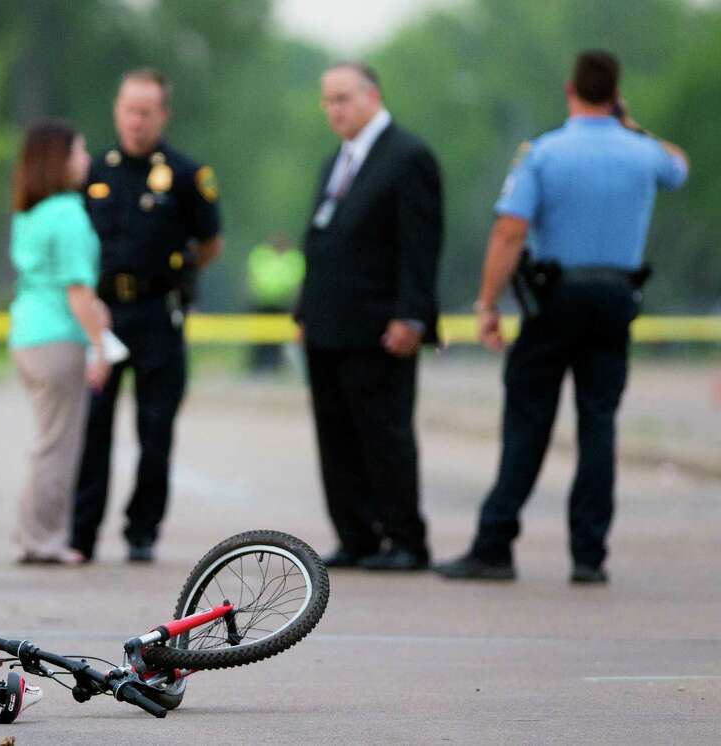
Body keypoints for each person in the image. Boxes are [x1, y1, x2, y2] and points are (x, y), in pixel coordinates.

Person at [434, 51, 689, 584]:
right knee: (599, 425)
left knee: (528, 421)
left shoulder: (544, 153)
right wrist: (631, 124)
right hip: (617, 299)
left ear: (571, 89)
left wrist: (487, 303)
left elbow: (509, 231)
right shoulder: (643, 153)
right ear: (616, 94)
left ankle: (495, 545)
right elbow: (680, 166)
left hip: (555, 302)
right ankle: (589, 556)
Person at [72, 68, 223, 563]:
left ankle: (142, 531)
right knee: (92, 426)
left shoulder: (185, 174)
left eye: (146, 112)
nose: (136, 121)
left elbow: (210, 241)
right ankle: (82, 531)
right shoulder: (94, 172)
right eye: (129, 110)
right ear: (117, 110)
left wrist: (174, 275)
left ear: (163, 115)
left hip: (158, 312)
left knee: (155, 428)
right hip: (103, 313)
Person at [296, 62, 442, 572]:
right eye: (327, 100)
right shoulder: (338, 160)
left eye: (343, 98)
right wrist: (304, 309)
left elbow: (420, 246)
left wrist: (411, 315)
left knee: (384, 435)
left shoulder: (407, 157)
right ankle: (356, 534)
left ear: (372, 95)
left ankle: (405, 537)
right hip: (328, 324)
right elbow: (322, 240)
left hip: (380, 327)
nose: (335, 109)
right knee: (336, 436)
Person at [8, 120, 112, 565]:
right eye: (80, 151)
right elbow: (77, 290)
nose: (86, 159)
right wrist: (100, 345)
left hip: (27, 333)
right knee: (58, 444)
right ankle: (42, 539)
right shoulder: (68, 212)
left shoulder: (29, 213)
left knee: (46, 439)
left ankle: (34, 532)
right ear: (60, 160)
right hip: (57, 338)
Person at [246, 234, 304, 374]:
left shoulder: (292, 257)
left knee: (279, 338)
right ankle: (258, 366)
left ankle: (274, 366)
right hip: (262, 301)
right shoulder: (260, 255)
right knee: (259, 336)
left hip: (282, 302)